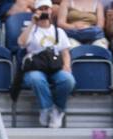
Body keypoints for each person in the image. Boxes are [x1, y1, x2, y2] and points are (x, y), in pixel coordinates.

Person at [20, 0, 75, 128]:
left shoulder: (59, 31)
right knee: (35, 78)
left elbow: (65, 52)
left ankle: (58, 110)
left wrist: (67, 66)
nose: (44, 11)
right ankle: (47, 108)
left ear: (51, 10)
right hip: (36, 66)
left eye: (47, 8)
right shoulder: (31, 30)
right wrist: (33, 23)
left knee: (68, 80)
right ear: (36, 11)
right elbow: (21, 43)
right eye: (41, 8)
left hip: (55, 66)